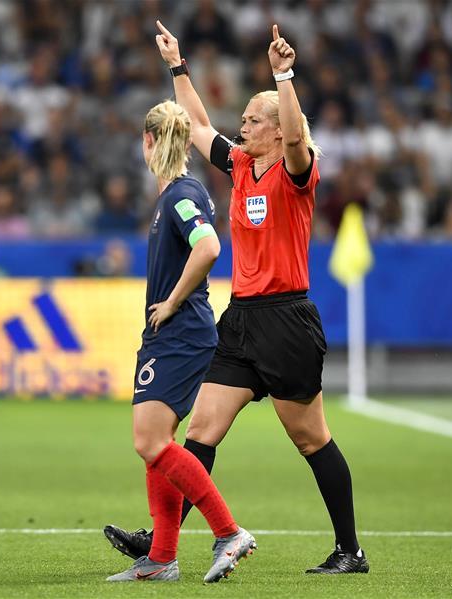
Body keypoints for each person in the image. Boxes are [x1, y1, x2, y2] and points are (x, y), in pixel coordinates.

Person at [104, 22, 369, 575]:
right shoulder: (243, 164)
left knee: (310, 438)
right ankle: (163, 542)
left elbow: (298, 139)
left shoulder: (297, 170)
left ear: (275, 129)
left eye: (252, 119)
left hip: (288, 319)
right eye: (244, 118)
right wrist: (177, 65)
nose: (241, 125)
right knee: (199, 431)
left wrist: (283, 75)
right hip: (242, 319)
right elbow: (198, 124)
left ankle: (350, 550)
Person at [105, 100, 256, 583]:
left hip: (181, 332)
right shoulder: (178, 192)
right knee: (157, 444)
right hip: (175, 335)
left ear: (148, 141)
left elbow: (209, 246)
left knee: (149, 441)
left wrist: (170, 302)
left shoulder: (179, 195)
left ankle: (228, 532)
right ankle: (162, 558)